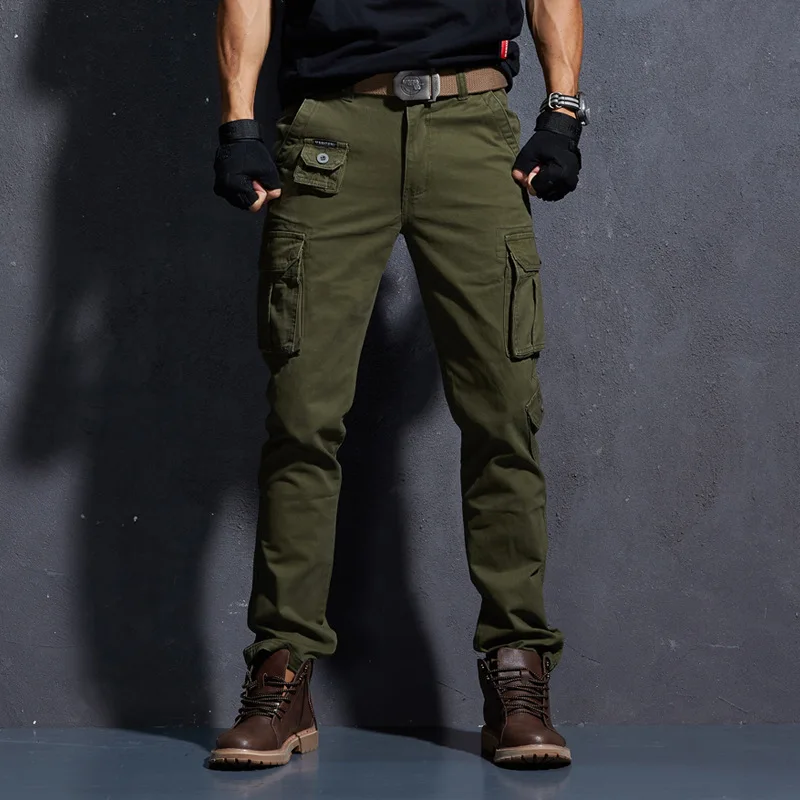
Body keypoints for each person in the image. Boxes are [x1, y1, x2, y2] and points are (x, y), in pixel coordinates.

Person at [209, 0, 588, 770]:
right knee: (302, 421)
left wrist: (563, 111)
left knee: (504, 417)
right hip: (332, 131)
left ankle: (517, 672)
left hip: (471, 127)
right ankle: (282, 673)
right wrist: (239, 126)